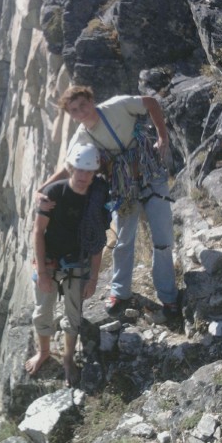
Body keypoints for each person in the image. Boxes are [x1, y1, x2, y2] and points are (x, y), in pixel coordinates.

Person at [37, 85, 179, 319]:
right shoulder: (82, 136)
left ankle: (169, 297)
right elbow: (68, 167)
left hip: (150, 173)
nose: (80, 111)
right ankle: (120, 292)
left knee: (162, 239)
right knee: (124, 239)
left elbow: (150, 103)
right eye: (74, 110)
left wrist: (162, 136)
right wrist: (42, 190)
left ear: (91, 100)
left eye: (83, 104)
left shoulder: (116, 105)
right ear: (71, 115)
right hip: (124, 185)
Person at [25, 143, 109, 387]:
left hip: (78, 262)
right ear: (70, 168)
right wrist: (42, 272)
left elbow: (97, 242)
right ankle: (44, 352)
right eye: (79, 170)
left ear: (95, 173)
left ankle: (68, 358)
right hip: (49, 260)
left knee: (73, 315)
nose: (83, 176)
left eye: (89, 172)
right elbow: (38, 232)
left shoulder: (97, 198)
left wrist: (93, 278)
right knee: (42, 311)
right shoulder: (54, 194)